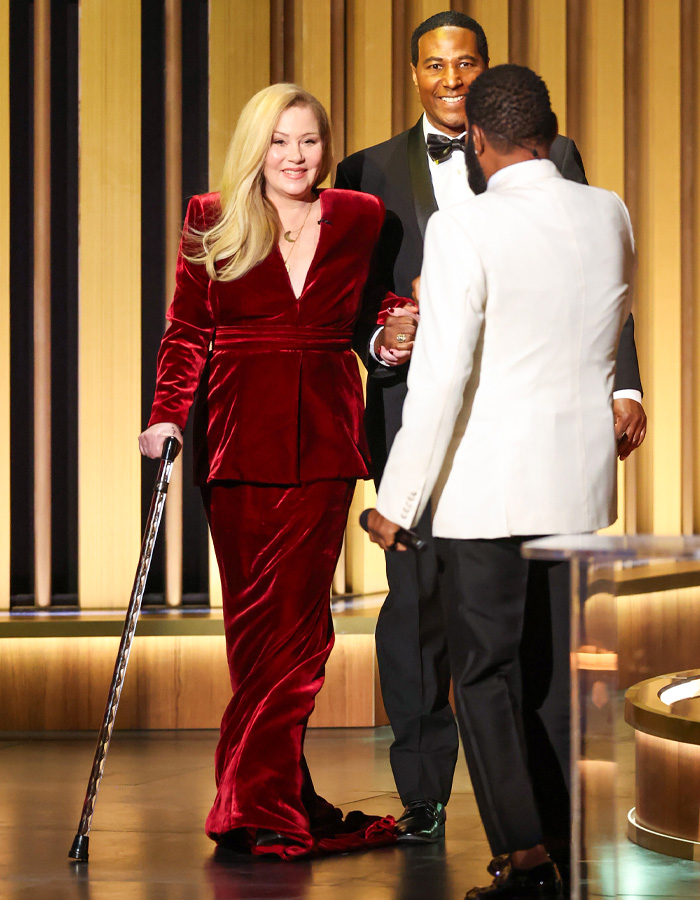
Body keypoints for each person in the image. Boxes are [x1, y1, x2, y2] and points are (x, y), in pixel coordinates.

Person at [335, 9, 646, 844]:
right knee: (532, 664)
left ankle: (521, 851)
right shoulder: (609, 210)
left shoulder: (464, 225)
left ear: (481, 135)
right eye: (435, 65)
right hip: (571, 476)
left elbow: (448, 378)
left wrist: (394, 502)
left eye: (464, 65)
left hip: (479, 474)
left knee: (484, 670)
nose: (449, 79)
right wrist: (384, 336)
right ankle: (525, 823)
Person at [139, 83, 400, 860]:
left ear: (326, 147)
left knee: (302, 634)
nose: (295, 157)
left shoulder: (358, 215)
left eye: (309, 142)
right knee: (256, 635)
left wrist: (392, 326)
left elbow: (368, 307)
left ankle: (255, 800)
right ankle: (261, 795)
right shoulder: (212, 215)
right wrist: (165, 415)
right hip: (235, 442)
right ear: (258, 145)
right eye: (281, 141)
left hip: (324, 438)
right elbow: (187, 330)